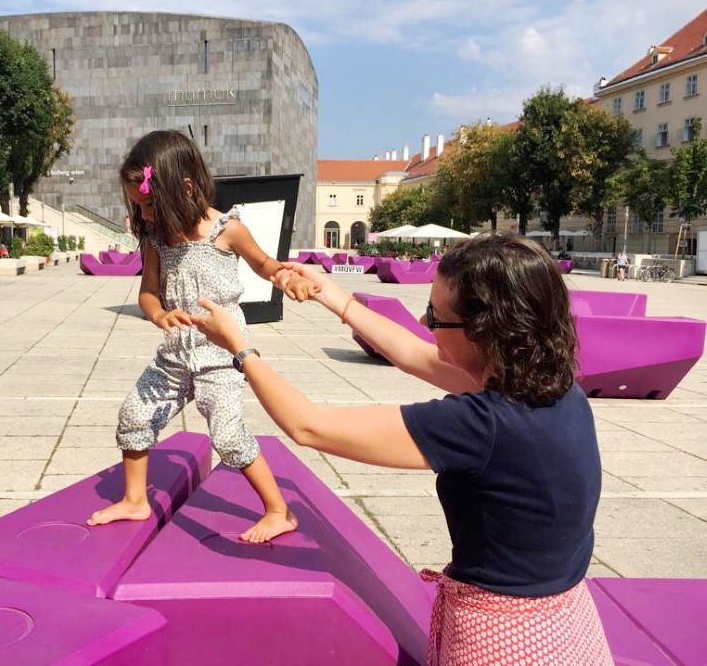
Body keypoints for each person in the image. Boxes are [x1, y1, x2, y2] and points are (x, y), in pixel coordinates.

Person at [190, 233, 613, 664]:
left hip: (502, 638)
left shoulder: (480, 425)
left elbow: (309, 426)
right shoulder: (558, 392)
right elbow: (414, 354)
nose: (426, 326)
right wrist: (331, 296)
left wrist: (239, 348)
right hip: (568, 624)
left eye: (435, 317)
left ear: (486, 330)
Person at [86, 129, 317, 543]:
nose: (147, 215)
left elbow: (265, 265)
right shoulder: (155, 237)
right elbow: (148, 292)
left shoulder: (227, 230)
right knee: (134, 415)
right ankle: (136, 500)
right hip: (175, 354)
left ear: (186, 188)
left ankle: (280, 510)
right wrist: (158, 314)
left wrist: (288, 279)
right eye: (139, 207)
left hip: (221, 353)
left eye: (150, 205)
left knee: (228, 436)